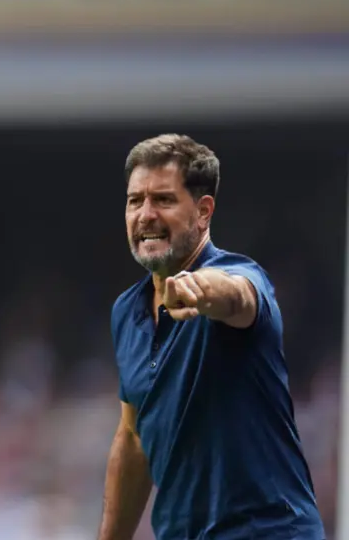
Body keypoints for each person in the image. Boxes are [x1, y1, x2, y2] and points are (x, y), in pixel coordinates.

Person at [99, 134, 325, 540]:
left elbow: (237, 296)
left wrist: (199, 290)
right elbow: (133, 438)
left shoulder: (242, 276)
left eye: (163, 200)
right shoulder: (127, 311)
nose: (145, 215)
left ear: (203, 212)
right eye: (135, 201)